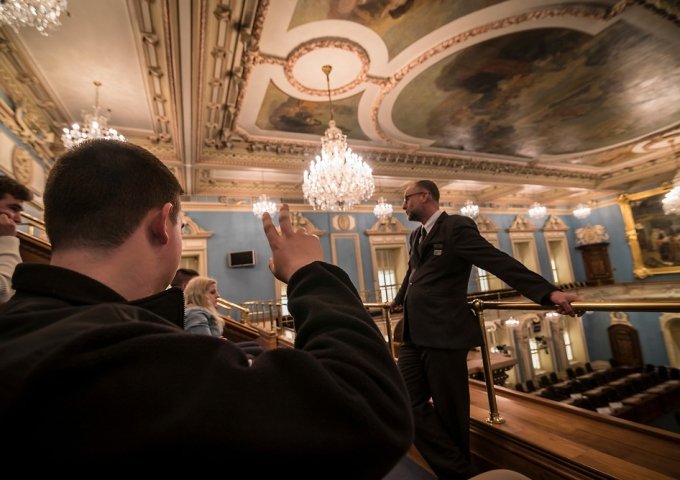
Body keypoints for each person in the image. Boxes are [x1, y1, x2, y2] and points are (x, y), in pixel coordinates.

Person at [0, 139, 413, 475]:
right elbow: (369, 413)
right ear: (163, 224)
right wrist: (311, 271)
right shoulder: (125, 356)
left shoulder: (23, 323)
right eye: (182, 226)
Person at [390, 180, 579, 479]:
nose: (402, 206)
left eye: (406, 199)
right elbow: (413, 272)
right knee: (401, 400)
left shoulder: (456, 227)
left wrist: (548, 294)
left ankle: (458, 474)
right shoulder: (416, 235)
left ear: (425, 196)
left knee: (452, 415)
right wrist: (399, 300)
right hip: (413, 333)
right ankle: (461, 472)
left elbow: (497, 261)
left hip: (444, 333)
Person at [183, 275, 263, 358]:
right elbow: (204, 346)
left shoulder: (198, 311)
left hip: (216, 351)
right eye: (212, 292)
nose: (218, 295)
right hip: (210, 359)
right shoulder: (195, 314)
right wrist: (219, 342)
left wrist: (217, 341)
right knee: (257, 351)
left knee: (254, 345)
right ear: (199, 295)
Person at [0, 175, 33, 302]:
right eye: (13, 208)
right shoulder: (6, 240)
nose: (19, 219)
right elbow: (3, 293)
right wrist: (8, 239)